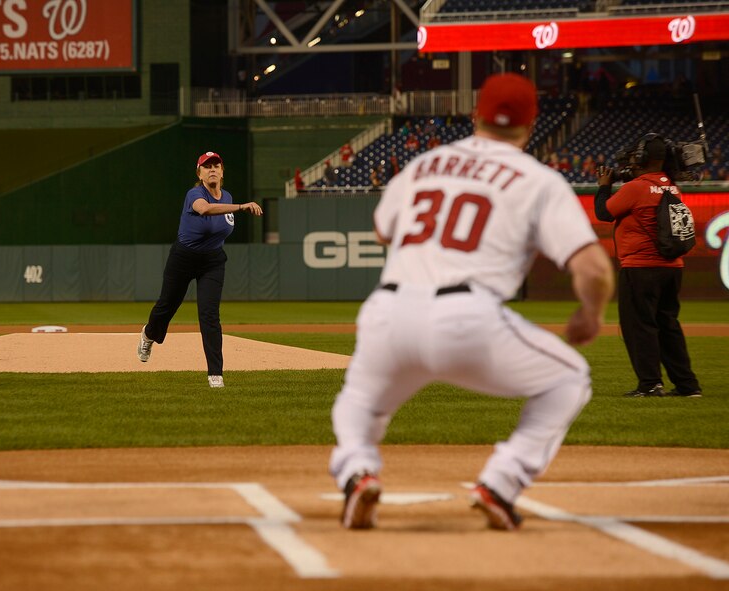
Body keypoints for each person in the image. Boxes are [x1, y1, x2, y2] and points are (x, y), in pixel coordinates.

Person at [329, 73, 614, 531]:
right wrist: (590, 314)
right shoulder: (538, 180)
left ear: (475, 114)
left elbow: (384, 229)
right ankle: (501, 482)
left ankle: (356, 471)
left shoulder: (425, 163)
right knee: (569, 378)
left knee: (359, 401)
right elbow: (594, 269)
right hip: (468, 318)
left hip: (388, 312)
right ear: (531, 123)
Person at [137, 151, 263, 388]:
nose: (212, 169)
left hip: (213, 261)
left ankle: (215, 373)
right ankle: (149, 335)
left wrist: (234, 205)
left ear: (222, 172)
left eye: (216, 165)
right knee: (166, 307)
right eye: (207, 167)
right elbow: (204, 209)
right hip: (183, 258)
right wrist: (241, 206)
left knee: (209, 315)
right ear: (200, 173)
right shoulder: (195, 194)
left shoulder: (226, 195)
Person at [594, 134, 702, 398]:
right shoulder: (671, 186)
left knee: (639, 326)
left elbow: (604, 212)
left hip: (641, 267)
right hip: (672, 267)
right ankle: (688, 386)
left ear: (643, 158)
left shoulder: (636, 188)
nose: (630, 160)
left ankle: (650, 384)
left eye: (633, 156)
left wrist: (604, 185)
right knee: (668, 326)